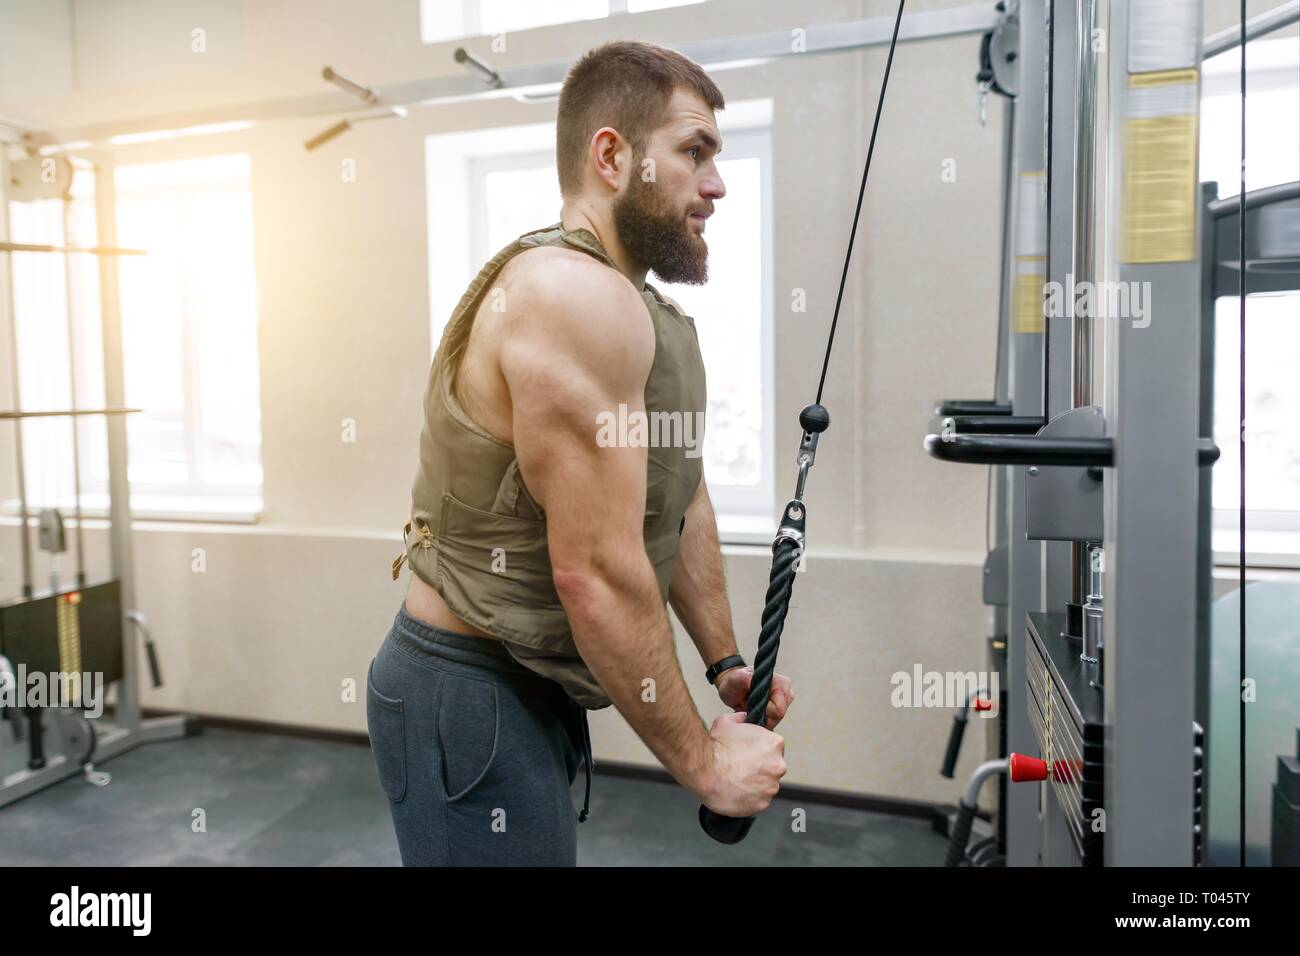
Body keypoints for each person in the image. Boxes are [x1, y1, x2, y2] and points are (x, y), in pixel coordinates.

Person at [367, 39, 793, 866]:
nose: (718, 184)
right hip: (464, 686)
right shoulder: (570, 298)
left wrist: (725, 662)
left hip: (526, 687)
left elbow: (679, 496)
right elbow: (594, 571)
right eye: (693, 153)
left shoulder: (639, 311)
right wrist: (706, 766)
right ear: (613, 156)